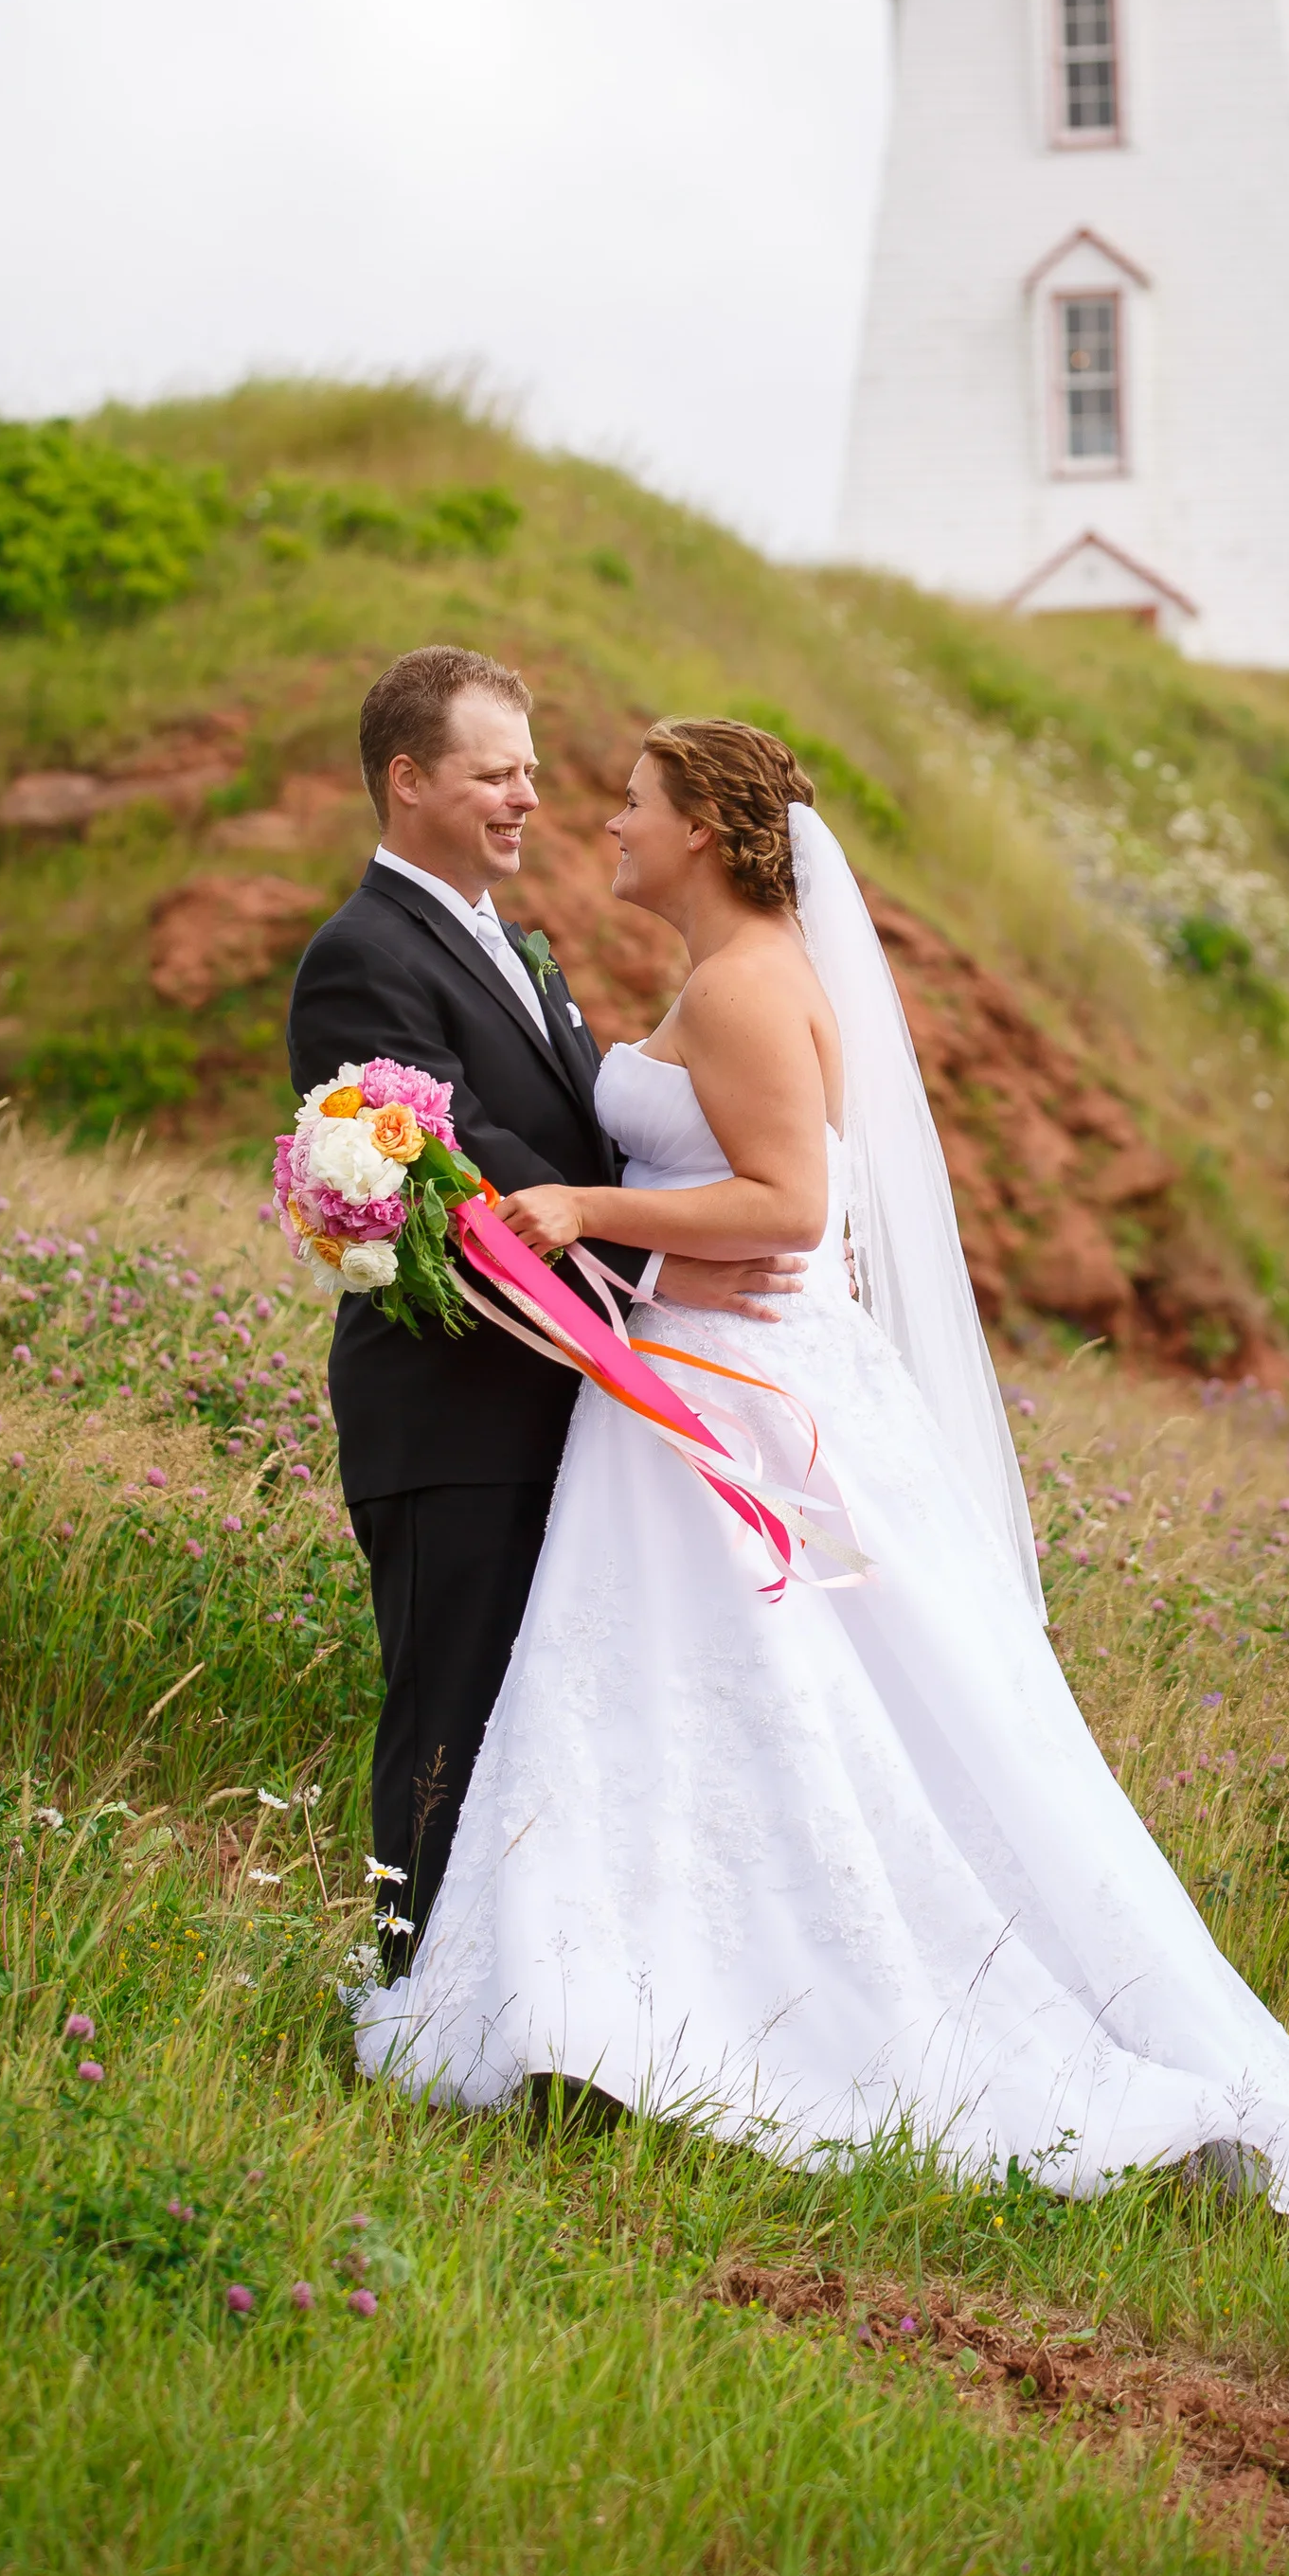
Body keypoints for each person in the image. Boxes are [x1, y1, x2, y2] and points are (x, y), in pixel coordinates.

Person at [351, 715, 1289, 2311]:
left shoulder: (751, 984)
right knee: (701, 1719)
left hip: (742, 1398)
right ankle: (606, 2007)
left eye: (635, 801)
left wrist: (583, 1207)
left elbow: (788, 1207)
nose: (606, 820)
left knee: (773, 1711)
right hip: (690, 1389)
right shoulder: (722, 974)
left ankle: (720, 2017)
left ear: (707, 827)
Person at [285, 650, 804, 1959]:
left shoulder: (517, 943)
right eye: (493, 772)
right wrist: (653, 1266)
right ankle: (408, 1981)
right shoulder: (360, 957)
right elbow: (462, 1170)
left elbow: (575, 1153)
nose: (527, 797)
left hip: (560, 1401)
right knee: (448, 1708)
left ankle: (520, 1991)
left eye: (528, 769)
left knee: (545, 1716)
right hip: (453, 1408)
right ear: (409, 781)